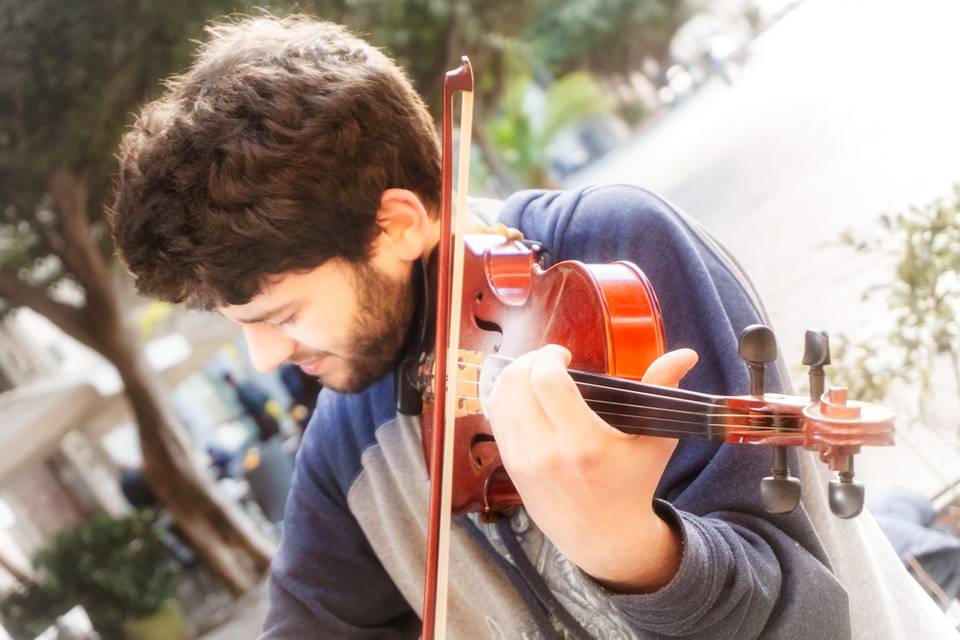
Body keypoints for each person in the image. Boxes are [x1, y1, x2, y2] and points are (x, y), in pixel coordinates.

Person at [107, 15, 954, 640]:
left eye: (280, 314)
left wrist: (634, 551)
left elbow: (811, 621)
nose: (267, 357)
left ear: (398, 223)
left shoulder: (610, 255)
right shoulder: (348, 439)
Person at [223, 371, 281, 442]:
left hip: (260, 412)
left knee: (273, 428)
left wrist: (260, 411)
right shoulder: (244, 385)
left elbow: (254, 401)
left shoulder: (241, 389)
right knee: (274, 428)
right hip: (262, 410)